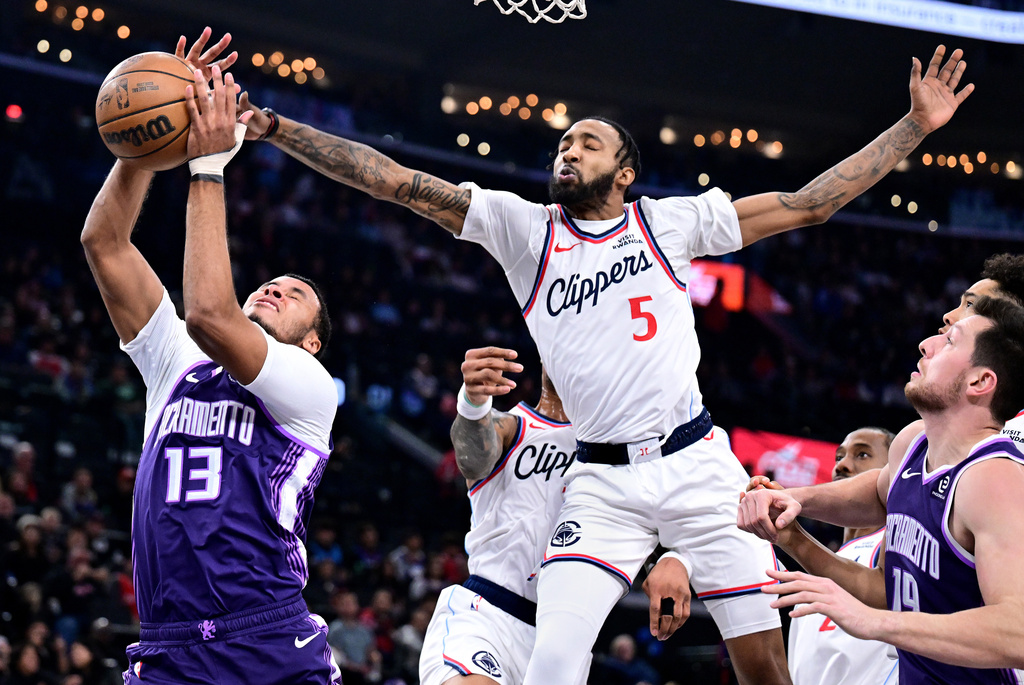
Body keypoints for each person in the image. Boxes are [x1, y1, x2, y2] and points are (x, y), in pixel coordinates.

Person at [240, 45, 972, 684]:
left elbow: (807, 203)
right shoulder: (525, 231)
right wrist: (272, 126)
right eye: (563, 142)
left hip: (698, 465)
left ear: (626, 172)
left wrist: (914, 125)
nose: (568, 149)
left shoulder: (668, 222)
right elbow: (394, 181)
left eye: (587, 142)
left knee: (763, 667)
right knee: (554, 665)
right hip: (603, 482)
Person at [81, 30, 340, 684]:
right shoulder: (178, 364)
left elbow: (210, 313)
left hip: (268, 640)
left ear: (312, 340)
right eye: (271, 281)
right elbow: (105, 243)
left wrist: (207, 165)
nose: (278, 285)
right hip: (168, 647)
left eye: (298, 292)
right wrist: (146, 142)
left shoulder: (309, 386)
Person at [746, 296, 1024, 681]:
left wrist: (877, 623)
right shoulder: (913, 445)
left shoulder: (993, 477)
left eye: (950, 341)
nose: (927, 344)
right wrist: (792, 509)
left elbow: (1018, 632)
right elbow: (876, 497)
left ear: (979, 381)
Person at [420, 346, 691, 685]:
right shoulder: (511, 427)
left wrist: (674, 560)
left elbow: (650, 531)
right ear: (545, 354)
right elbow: (471, 458)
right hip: (489, 616)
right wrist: (472, 404)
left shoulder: (621, 457)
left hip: (566, 638)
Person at [768, 427, 899, 685]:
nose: (843, 466)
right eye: (839, 457)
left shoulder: (896, 543)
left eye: (862, 455)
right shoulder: (819, 565)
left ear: (889, 473)